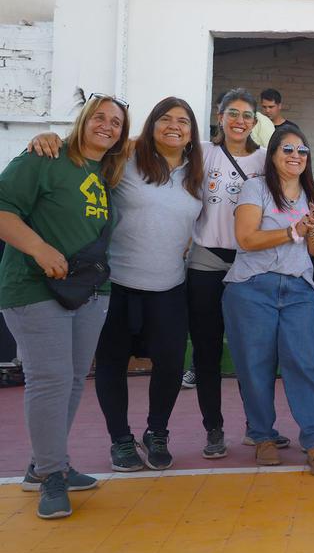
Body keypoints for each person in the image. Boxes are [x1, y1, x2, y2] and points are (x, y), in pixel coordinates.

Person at [0, 95, 129, 519]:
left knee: (72, 380)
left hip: (88, 290)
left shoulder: (105, 174)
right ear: (83, 120)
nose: (107, 126)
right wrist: (39, 249)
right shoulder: (45, 157)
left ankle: (44, 463)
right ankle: (51, 474)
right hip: (34, 287)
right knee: (50, 379)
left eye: (116, 122)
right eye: (99, 117)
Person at [90, 98, 205, 472]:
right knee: (111, 364)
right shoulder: (123, 160)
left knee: (170, 366)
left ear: (192, 132)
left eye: (183, 121)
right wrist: (46, 140)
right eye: (165, 119)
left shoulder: (197, 174)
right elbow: (82, 155)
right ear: (151, 126)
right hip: (117, 284)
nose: (174, 126)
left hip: (169, 286)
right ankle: (121, 440)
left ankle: (157, 432)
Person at [223, 128, 314, 475]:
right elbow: (246, 239)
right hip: (252, 288)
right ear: (272, 154)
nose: (295, 155)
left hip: (299, 289)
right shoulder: (255, 188)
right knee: (255, 366)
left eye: (302, 150)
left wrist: (313, 228)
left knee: (304, 365)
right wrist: (291, 231)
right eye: (287, 149)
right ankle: (263, 437)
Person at [187, 89, 269, 459]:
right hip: (205, 260)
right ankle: (214, 429)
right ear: (220, 116)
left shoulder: (265, 159)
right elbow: (149, 148)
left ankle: (257, 425)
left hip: (249, 264)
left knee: (253, 352)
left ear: (255, 122)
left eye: (247, 115)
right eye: (232, 113)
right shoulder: (202, 152)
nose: (239, 121)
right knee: (206, 350)